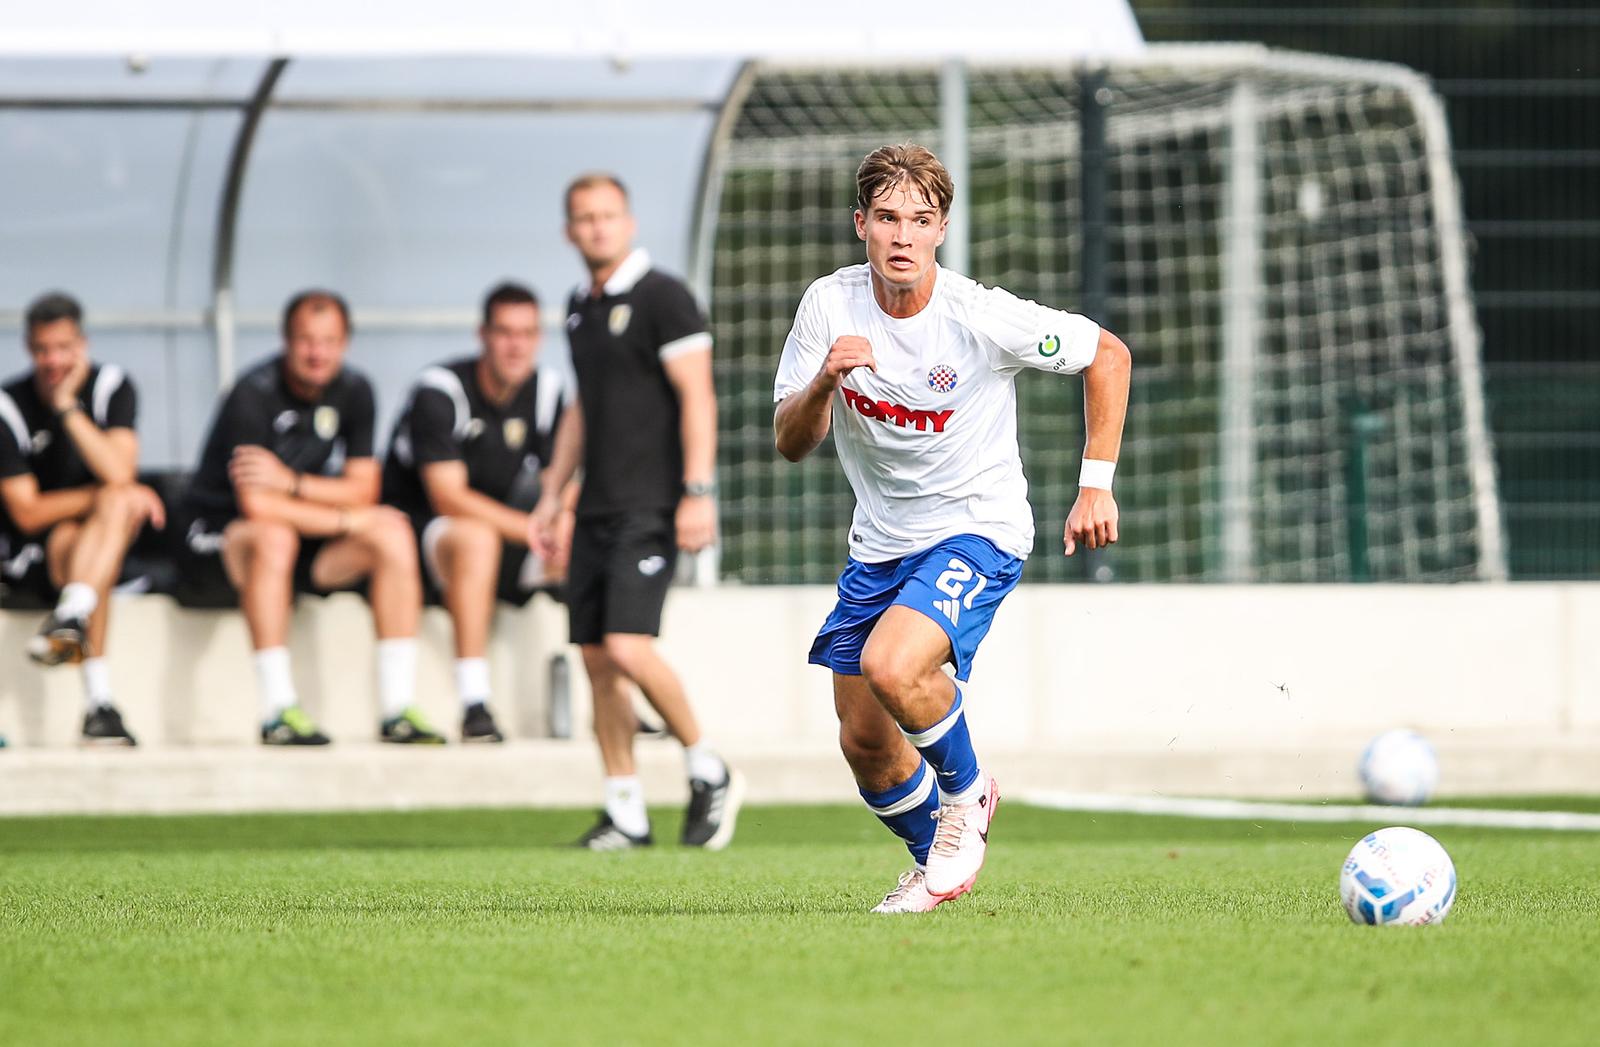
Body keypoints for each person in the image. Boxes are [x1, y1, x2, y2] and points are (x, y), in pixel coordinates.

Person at [772, 144, 1132, 913]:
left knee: (893, 663)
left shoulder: (978, 314)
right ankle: (934, 857)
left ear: (941, 230)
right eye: (890, 218)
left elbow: (1108, 354)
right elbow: (790, 440)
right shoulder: (828, 307)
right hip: (880, 543)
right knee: (864, 741)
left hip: (979, 526)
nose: (904, 235)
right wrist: (823, 383)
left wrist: (1093, 486)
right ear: (861, 223)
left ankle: (969, 798)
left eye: (922, 220)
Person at [531, 173, 743, 851]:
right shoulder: (579, 306)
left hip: (651, 503)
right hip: (594, 508)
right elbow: (583, 410)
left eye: (607, 215)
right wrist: (553, 494)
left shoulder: (665, 298)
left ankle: (709, 767)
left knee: (628, 646)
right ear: (569, 230)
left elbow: (698, 398)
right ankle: (625, 808)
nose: (596, 227)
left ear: (629, 220)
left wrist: (697, 492)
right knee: (596, 658)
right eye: (584, 218)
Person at [179, 290, 440, 746]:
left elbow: (365, 488)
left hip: (301, 533)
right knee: (274, 536)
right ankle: (277, 709)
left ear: (345, 343)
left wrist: (293, 482)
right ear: (286, 340)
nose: (317, 352)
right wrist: (346, 520)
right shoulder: (252, 393)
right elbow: (259, 506)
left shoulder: (355, 390)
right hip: (216, 539)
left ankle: (398, 709)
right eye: (306, 340)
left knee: (393, 532)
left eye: (328, 341)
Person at [383, 281, 573, 743]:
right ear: (482, 335)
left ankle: (615, 695)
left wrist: (562, 517)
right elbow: (448, 497)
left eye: (527, 333)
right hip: (420, 535)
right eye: (505, 332)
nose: (516, 345)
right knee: (475, 537)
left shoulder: (547, 390)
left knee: (590, 534)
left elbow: (562, 478)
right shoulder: (441, 390)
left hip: (508, 530)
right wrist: (533, 529)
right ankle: (474, 704)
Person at [0, 292, 165, 745]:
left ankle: (72, 613)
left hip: (92, 545)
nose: (52, 360)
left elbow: (120, 470)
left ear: (83, 344)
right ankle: (99, 701)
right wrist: (105, 496)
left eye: (63, 348)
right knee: (109, 517)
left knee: (105, 530)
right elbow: (28, 512)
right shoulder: (7, 406)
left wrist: (68, 408)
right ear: (28, 348)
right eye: (41, 350)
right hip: (29, 554)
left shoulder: (112, 386)